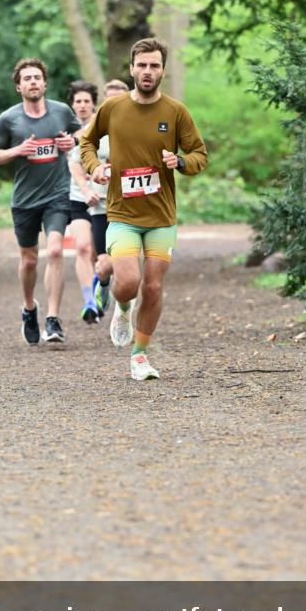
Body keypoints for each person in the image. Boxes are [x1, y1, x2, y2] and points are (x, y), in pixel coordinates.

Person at [80, 38, 208, 380]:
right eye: (142, 65)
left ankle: (139, 355)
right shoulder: (113, 108)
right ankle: (123, 307)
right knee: (128, 282)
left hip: (161, 217)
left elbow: (199, 155)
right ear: (132, 68)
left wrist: (180, 161)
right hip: (122, 213)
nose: (148, 71)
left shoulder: (176, 112)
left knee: (152, 286)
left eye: (154, 65)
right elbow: (87, 141)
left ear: (163, 70)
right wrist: (94, 166)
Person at [0, 57, 81, 345]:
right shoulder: (8, 119)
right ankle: (29, 308)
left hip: (57, 194)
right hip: (25, 199)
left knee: (55, 251)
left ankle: (53, 319)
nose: (32, 82)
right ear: (19, 87)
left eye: (37, 77)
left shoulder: (61, 111)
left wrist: (73, 142)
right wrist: (17, 151)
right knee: (29, 260)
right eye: (27, 78)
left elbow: (81, 131)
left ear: (45, 83)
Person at [68, 79, 130, 318]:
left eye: (119, 99)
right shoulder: (95, 129)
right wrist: (86, 189)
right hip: (102, 206)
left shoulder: (139, 128)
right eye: (110, 99)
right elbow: (75, 162)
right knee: (104, 262)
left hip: (131, 206)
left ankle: (124, 312)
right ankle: (103, 282)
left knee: (127, 261)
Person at [66, 81, 102, 323]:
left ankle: (101, 287)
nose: (82, 105)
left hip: (102, 198)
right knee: (82, 247)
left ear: (93, 104)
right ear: (72, 105)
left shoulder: (103, 128)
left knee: (99, 255)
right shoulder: (63, 130)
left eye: (86, 101)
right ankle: (89, 302)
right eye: (78, 101)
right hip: (77, 196)